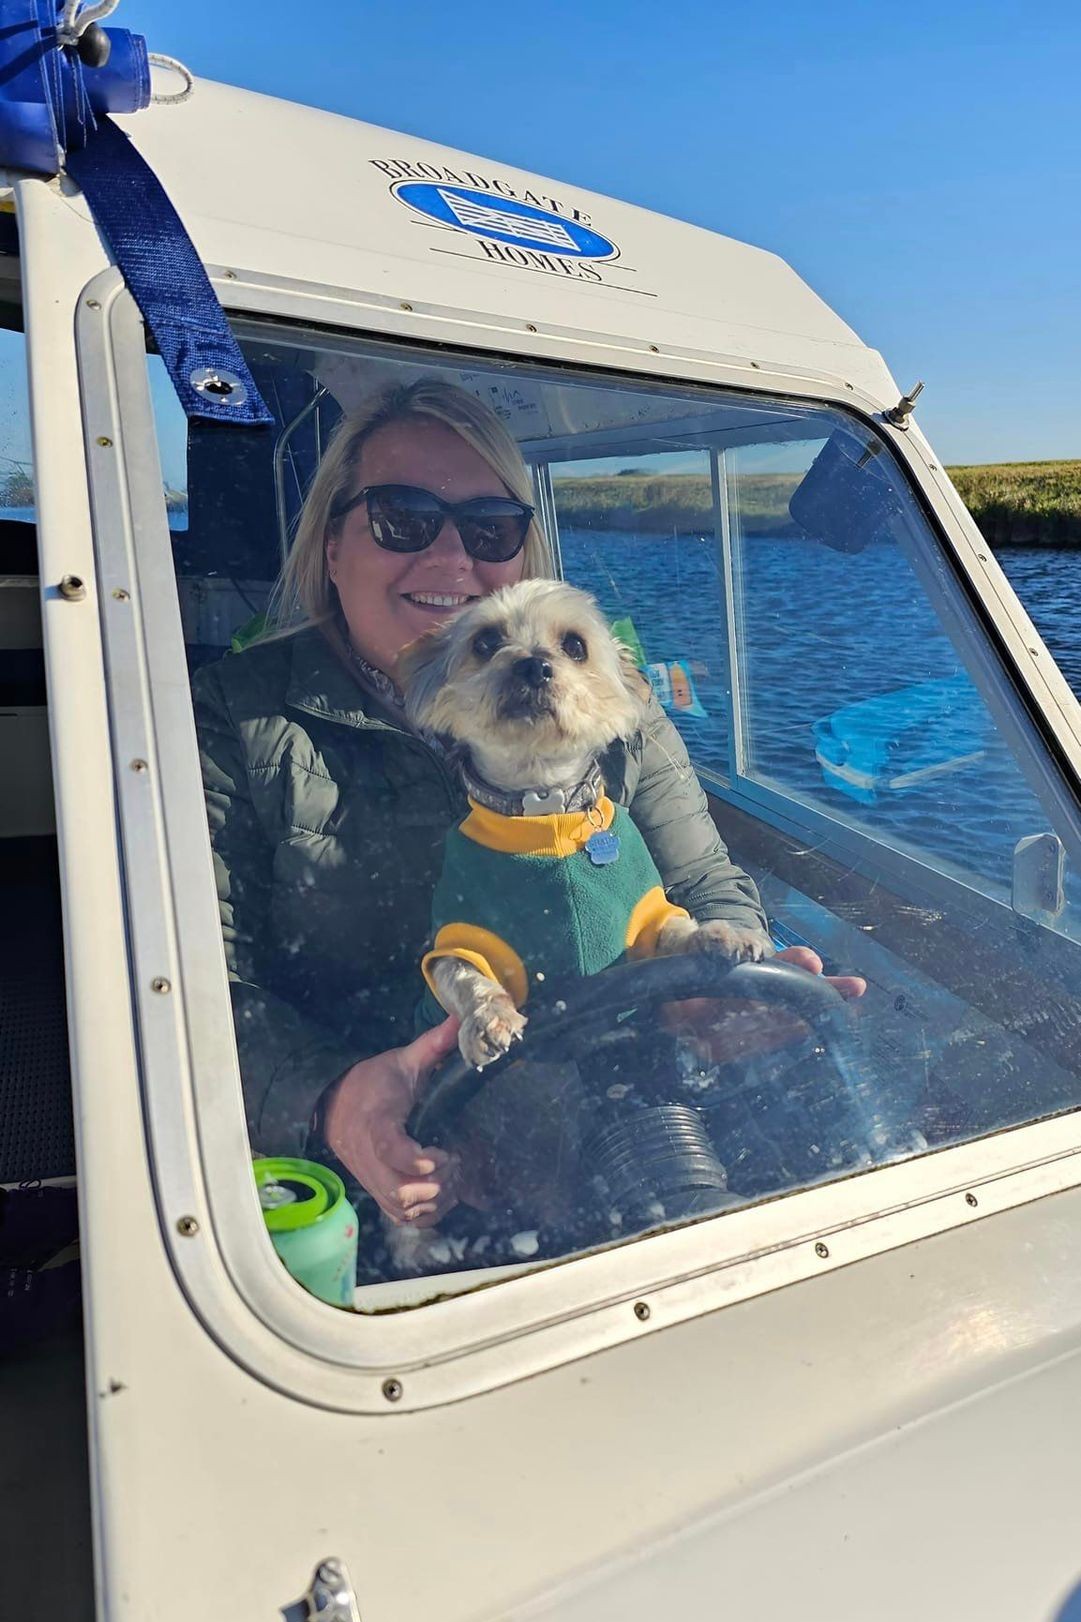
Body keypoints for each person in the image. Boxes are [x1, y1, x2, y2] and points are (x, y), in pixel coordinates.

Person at [194, 377, 860, 1235]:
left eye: (489, 528)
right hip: (390, 1172)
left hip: (629, 1100)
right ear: (331, 545)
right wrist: (331, 1103)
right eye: (402, 518)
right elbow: (205, 987)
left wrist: (715, 991)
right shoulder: (235, 713)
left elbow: (703, 880)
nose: (449, 562)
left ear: (523, 549)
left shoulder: (611, 695)